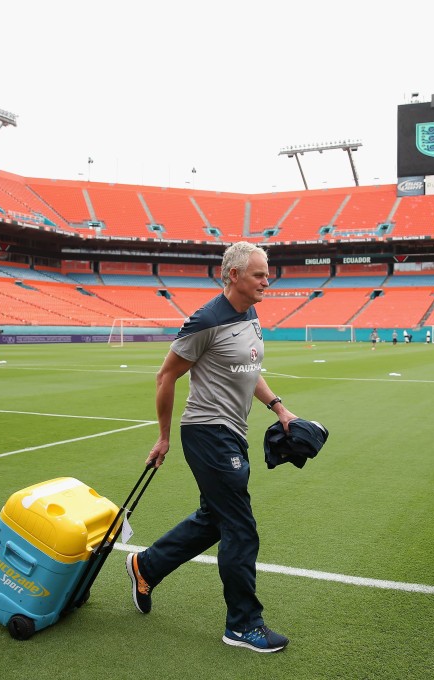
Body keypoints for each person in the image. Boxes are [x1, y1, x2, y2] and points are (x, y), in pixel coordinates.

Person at [126, 241, 296, 654]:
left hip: (233, 432)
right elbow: (165, 376)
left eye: (266, 273)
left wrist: (279, 408)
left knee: (214, 518)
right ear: (233, 275)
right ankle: (243, 625)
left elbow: (247, 370)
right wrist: (164, 437)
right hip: (207, 432)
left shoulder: (249, 314)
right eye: (258, 274)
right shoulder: (206, 320)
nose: (266, 280)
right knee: (240, 528)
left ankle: (146, 566)